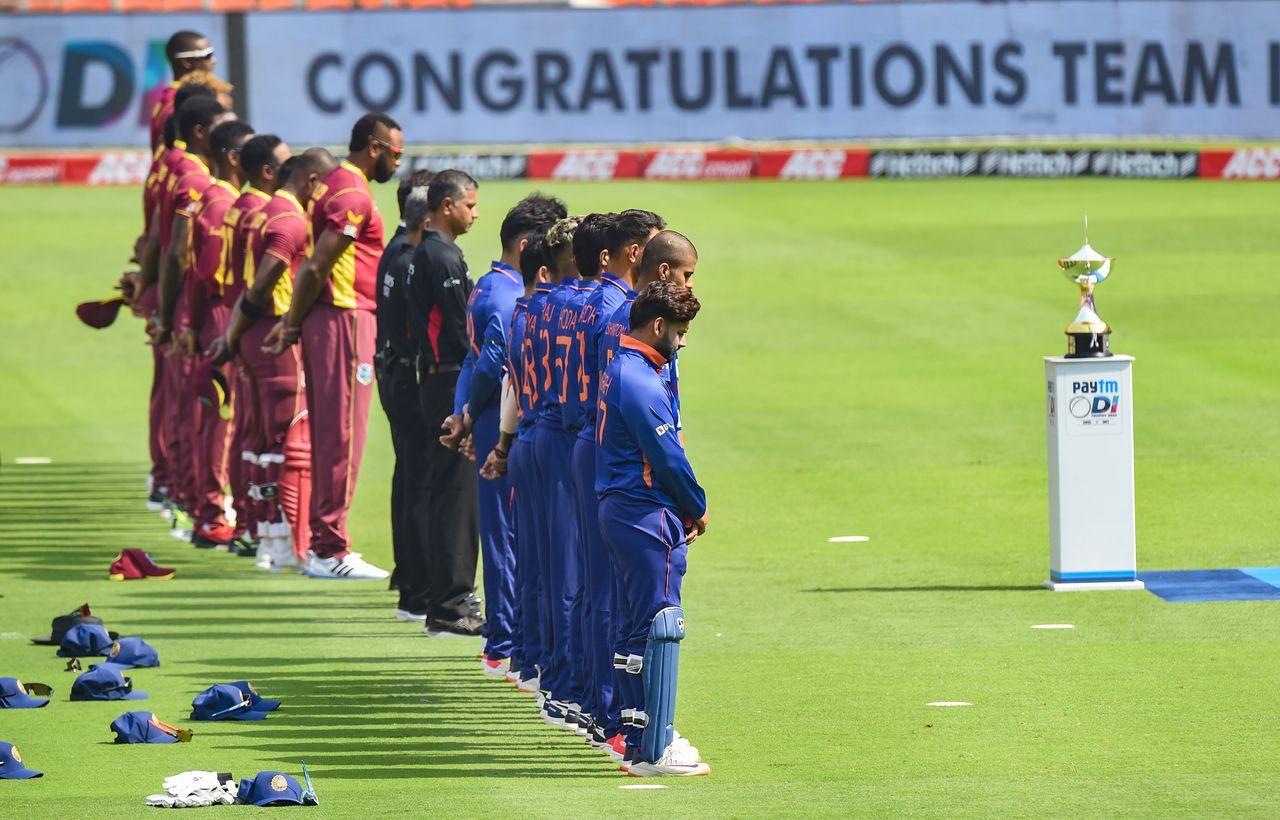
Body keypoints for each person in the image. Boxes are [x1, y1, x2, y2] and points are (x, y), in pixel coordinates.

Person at [266, 113, 403, 580]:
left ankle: (325, 543)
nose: (398, 162)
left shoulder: (335, 185)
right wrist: (291, 323)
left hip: (336, 319)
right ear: (374, 146)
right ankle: (329, 548)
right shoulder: (352, 193)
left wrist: (294, 322)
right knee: (343, 433)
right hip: (344, 320)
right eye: (395, 152)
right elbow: (314, 266)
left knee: (334, 430)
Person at [444, 193, 567, 674]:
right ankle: (508, 641)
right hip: (507, 422)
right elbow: (493, 364)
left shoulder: (487, 285)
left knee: (505, 533)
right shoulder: (508, 294)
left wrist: (462, 413)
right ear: (528, 244)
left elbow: (472, 360)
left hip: (494, 417)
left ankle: (505, 639)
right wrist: (475, 417)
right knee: (511, 536)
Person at [596, 282, 708, 777]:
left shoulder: (621, 366)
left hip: (620, 509)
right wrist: (697, 506)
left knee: (634, 625)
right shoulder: (640, 380)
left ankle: (634, 732)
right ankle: (655, 746)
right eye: (679, 332)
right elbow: (667, 457)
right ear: (658, 326)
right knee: (660, 625)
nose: (683, 342)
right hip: (645, 513)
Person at [219, 148, 338, 572]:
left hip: (252, 335)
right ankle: (286, 540)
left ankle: (265, 535)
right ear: (310, 182)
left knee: (257, 438)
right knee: (285, 440)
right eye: (325, 187)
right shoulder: (289, 219)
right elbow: (267, 278)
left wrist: (235, 332)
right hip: (273, 334)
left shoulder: (260, 211)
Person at [404, 169, 483, 635]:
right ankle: (451, 605)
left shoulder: (422, 251)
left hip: (430, 379)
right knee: (456, 495)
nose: (475, 213)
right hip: (448, 381)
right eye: (470, 205)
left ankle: (442, 599)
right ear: (448, 205)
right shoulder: (444, 257)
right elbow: (461, 332)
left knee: (444, 490)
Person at [155, 97, 235, 534]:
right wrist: (177, 319)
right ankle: (208, 509)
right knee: (215, 413)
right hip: (213, 308)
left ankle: (193, 499)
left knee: (199, 407)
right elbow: (183, 256)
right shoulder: (203, 188)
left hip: (195, 306)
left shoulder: (188, 178)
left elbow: (162, 242)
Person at [208, 133, 290, 557]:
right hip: (262, 321)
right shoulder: (264, 212)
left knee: (251, 430)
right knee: (273, 433)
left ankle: (251, 522)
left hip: (239, 321)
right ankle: (268, 529)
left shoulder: (240, 207)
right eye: (285, 166)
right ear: (267, 171)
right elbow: (263, 279)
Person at [183, 118, 254, 549]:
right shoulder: (220, 204)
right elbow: (207, 272)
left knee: (224, 418)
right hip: (223, 313)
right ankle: (211, 512)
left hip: (220, 313)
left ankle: (213, 507)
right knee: (222, 420)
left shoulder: (219, 199)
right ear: (233, 158)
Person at [376, 169, 434, 605]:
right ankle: (418, 584)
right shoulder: (411, 257)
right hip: (410, 379)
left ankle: (408, 574)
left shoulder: (393, 251)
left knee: (408, 474)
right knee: (420, 478)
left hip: (394, 373)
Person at [149, 30, 217, 153]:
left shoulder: (168, 99)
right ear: (186, 62)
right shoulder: (179, 102)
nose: (214, 61)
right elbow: (177, 153)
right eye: (207, 55)